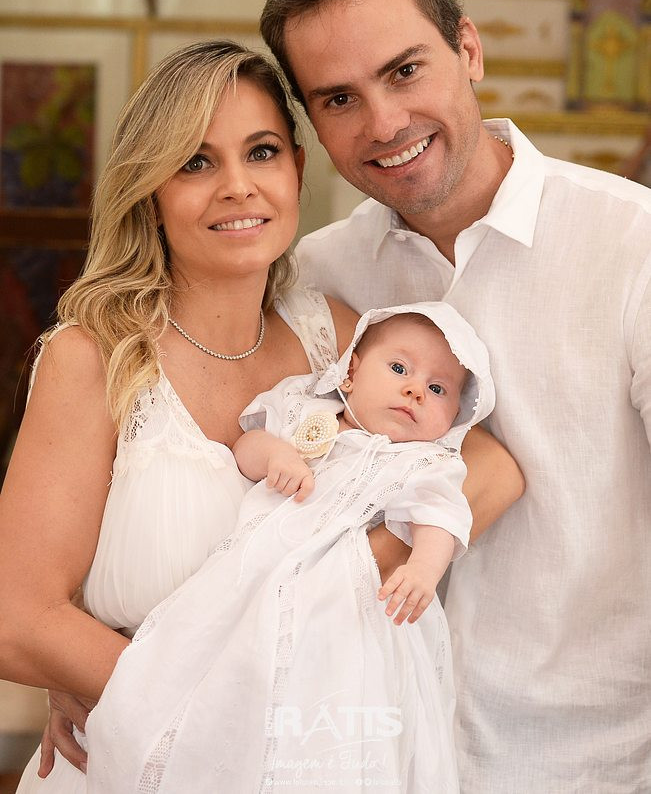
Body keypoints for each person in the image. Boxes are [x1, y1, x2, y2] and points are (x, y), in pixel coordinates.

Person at [0, 39, 522, 792]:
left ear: (297, 171)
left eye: (262, 152)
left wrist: (339, 571)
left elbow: (490, 467)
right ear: (149, 191)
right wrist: (210, 712)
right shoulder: (94, 356)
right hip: (141, 763)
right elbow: (18, 620)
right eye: (195, 163)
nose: (238, 187)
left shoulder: (333, 338)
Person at [259, 0, 651, 794]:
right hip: (363, 756)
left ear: (467, 49)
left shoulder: (632, 246)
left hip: (580, 764)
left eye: (404, 71)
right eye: (339, 98)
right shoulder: (315, 277)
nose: (384, 124)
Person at [83, 301, 494, 793]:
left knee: (333, 710)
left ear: (454, 417)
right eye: (400, 369)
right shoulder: (304, 410)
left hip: (352, 617)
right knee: (217, 656)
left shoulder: (425, 464)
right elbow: (246, 447)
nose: (415, 391)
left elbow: (441, 519)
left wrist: (424, 569)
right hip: (251, 572)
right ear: (350, 374)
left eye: (438, 389)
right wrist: (277, 455)